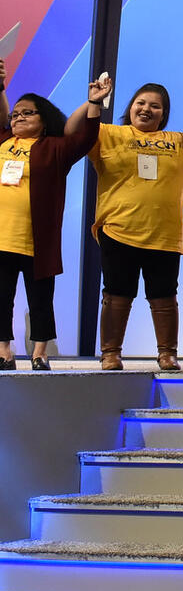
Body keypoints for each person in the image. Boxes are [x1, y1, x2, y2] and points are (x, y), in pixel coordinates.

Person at [80, 77, 183, 370]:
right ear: (131, 106)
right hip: (118, 229)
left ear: (164, 114)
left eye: (155, 106)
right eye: (141, 103)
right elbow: (79, 134)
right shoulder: (109, 133)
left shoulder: (177, 141)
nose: (147, 109)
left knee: (165, 295)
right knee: (116, 293)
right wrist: (94, 102)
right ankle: (110, 353)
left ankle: (167, 353)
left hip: (164, 233)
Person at [0, 62, 109, 370]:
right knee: (1, 297)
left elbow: (85, 138)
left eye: (27, 113)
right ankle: (4, 351)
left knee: (40, 300)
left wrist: (95, 104)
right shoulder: (4, 141)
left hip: (38, 239)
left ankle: (39, 353)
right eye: (15, 114)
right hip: (1, 236)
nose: (19, 117)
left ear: (44, 119)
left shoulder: (55, 148)